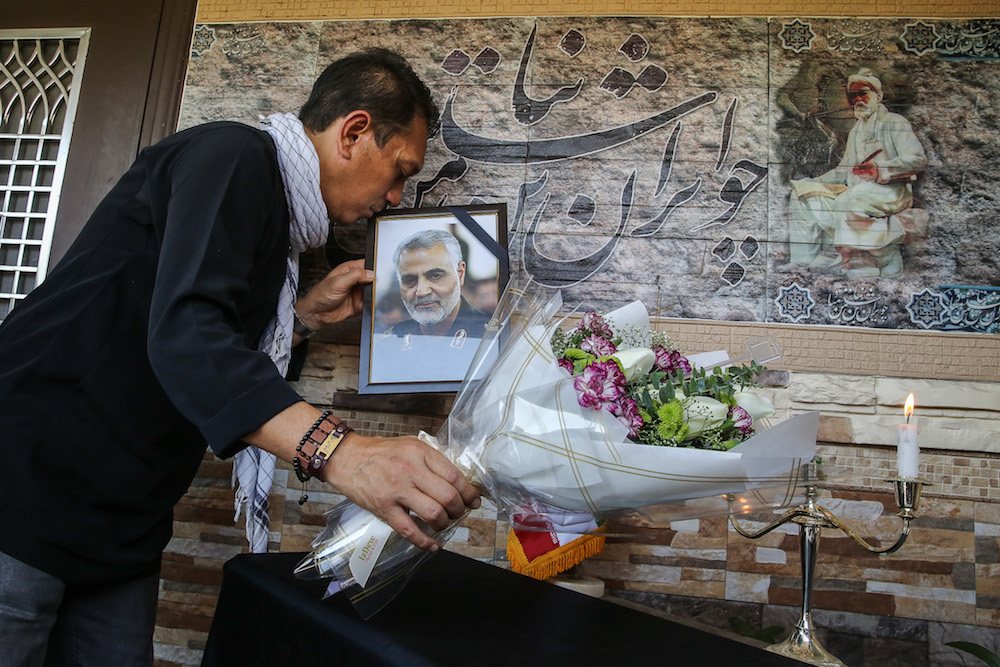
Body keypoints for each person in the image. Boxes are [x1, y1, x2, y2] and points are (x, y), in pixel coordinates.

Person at [0, 48, 480, 666]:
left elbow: (202, 339)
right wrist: (342, 452)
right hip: (27, 488)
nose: (393, 197)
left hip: (123, 522)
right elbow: (186, 337)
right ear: (355, 131)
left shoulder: (279, 227)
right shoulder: (232, 156)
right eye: (399, 171)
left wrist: (300, 317)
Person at [787, 67, 927, 277]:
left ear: (877, 96)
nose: (858, 99)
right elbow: (844, 170)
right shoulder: (857, 130)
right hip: (859, 191)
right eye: (854, 96)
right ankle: (802, 263)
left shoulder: (895, 123)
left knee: (848, 200)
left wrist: (879, 169)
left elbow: (917, 159)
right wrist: (814, 182)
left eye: (864, 93)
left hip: (892, 191)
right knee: (801, 196)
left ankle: (849, 260)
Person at [372, 229, 491, 384]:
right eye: (409, 280)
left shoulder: (491, 339)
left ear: (460, 274)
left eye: (435, 276)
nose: (421, 292)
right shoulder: (387, 344)